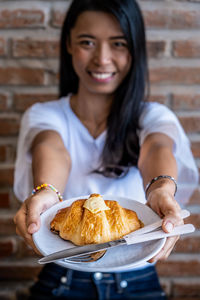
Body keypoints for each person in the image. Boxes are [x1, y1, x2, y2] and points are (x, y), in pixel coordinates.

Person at [13, 0, 198, 299]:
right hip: (62, 275)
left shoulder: (153, 116)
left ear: (134, 49)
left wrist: (160, 190)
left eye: (118, 44)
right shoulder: (44, 115)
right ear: (69, 44)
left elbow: (157, 147)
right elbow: (51, 147)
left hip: (139, 277)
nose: (102, 58)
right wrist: (47, 191)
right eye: (87, 42)